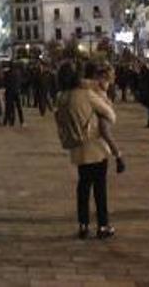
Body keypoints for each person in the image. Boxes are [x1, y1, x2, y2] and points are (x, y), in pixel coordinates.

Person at [56, 63, 116, 239]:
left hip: (77, 147)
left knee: (83, 186)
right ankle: (103, 225)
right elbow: (110, 115)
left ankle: (83, 224)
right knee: (100, 188)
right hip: (95, 146)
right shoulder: (86, 94)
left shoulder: (61, 97)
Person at [85, 62, 126, 174]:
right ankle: (117, 155)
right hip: (100, 108)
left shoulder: (100, 83)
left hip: (102, 109)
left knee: (104, 131)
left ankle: (118, 155)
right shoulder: (97, 83)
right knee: (104, 132)